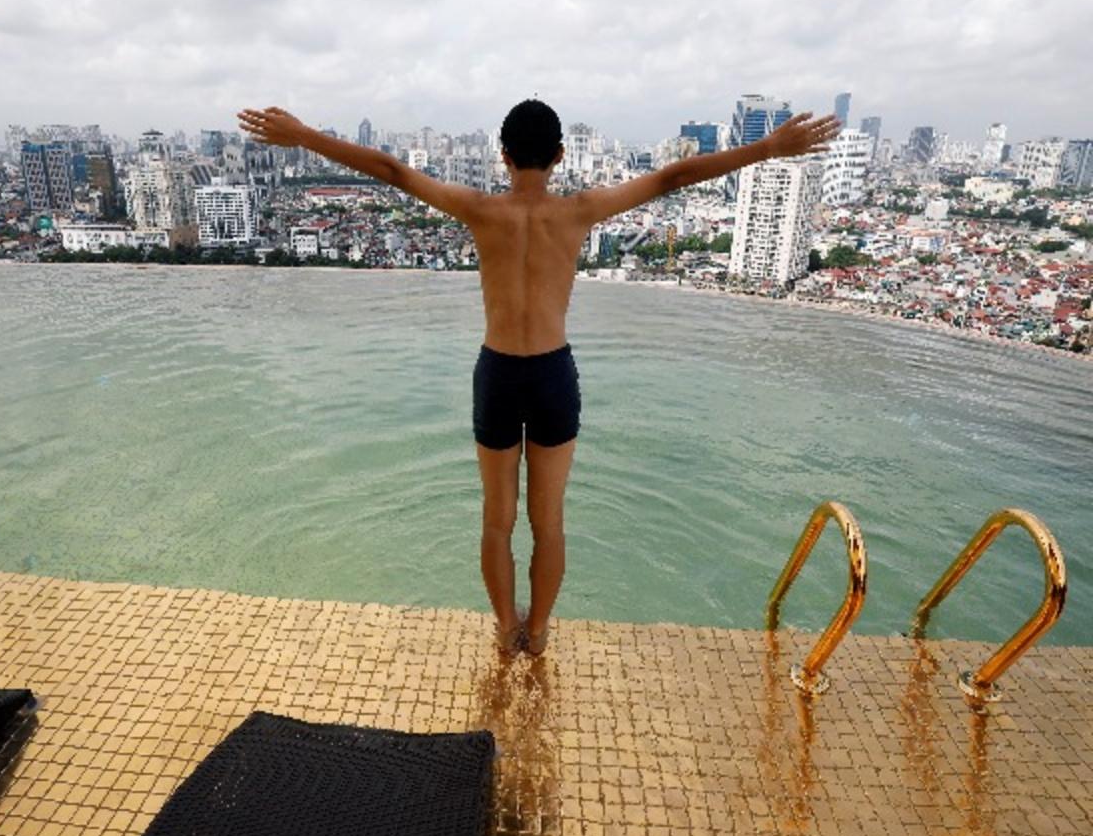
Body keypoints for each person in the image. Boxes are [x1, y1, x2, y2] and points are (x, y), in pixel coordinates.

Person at [237, 100, 840, 657]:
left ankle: (506, 629)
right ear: (558, 156)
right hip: (553, 374)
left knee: (496, 519)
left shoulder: (480, 209)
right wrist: (769, 148)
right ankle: (541, 630)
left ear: (502, 155)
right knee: (548, 522)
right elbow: (671, 179)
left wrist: (302, 137)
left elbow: (390, 170)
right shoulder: (579, 211)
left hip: (497, 373)